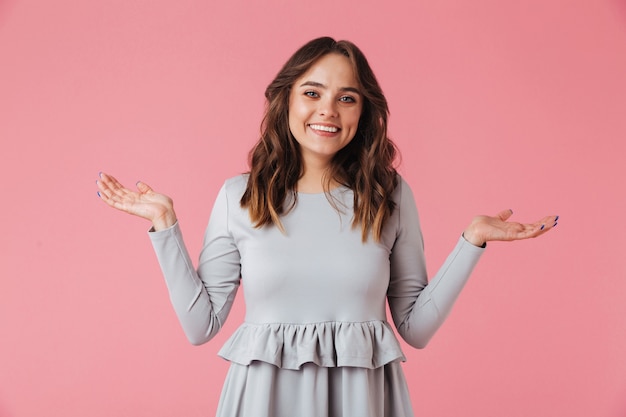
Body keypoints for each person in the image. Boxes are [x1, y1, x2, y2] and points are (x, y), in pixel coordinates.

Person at [96, 37, 558, 417]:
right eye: (312, 93)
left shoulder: (390, 195)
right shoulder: (239, 196)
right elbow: (201, 325)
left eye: (347, 98)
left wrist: (472, 241)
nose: (328, 111)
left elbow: (414, 328)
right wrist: (164, 225)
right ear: (287, 100)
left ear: (363, 111)